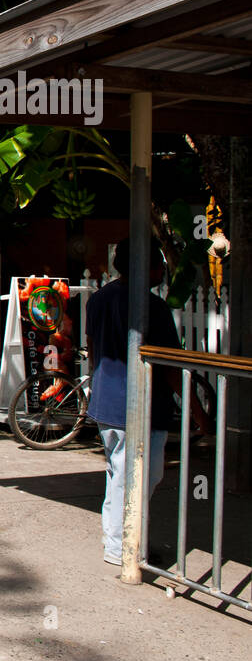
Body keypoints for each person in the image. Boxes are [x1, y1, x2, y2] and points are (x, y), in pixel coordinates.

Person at [86, 237, 212, 567]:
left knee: (119, 474)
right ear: (146, 266)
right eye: (157, 263)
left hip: (106, 403)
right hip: (139, 407)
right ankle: (122, 546)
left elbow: (93, 348)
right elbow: (170, 368)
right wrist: (198, 414)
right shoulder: (151, 307)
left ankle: (117, 540)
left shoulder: (98, 299)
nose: (162, 269)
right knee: (139, 478)